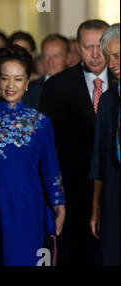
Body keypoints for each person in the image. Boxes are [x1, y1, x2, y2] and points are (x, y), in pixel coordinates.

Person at [0, 45, 66, 266]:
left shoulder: (40, 122)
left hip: (27, 206)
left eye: (18, 79)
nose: (11, 85)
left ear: (28, 81)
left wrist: (58, 203)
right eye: (5, 78)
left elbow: (50, 168)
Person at [39, 19, 116, 266]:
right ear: (77, 48)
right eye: (87, 47)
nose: (95, 54)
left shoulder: (117, 81)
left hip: (114, 187)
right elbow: (46, 145)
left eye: (100, 46)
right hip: (73, 191)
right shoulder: (57, 86)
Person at [89, 23, 120, 266]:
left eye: (118, 56)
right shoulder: (108, 101)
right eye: (108, 57)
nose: (112, 64)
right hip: (112, 198)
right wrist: (96, 206)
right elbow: (99, 157)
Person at [24, 34, 69, 110]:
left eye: (56, 56)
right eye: (46, 56)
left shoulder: (79, 88)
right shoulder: (30, 89)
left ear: (67, 58)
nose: (50, 61)